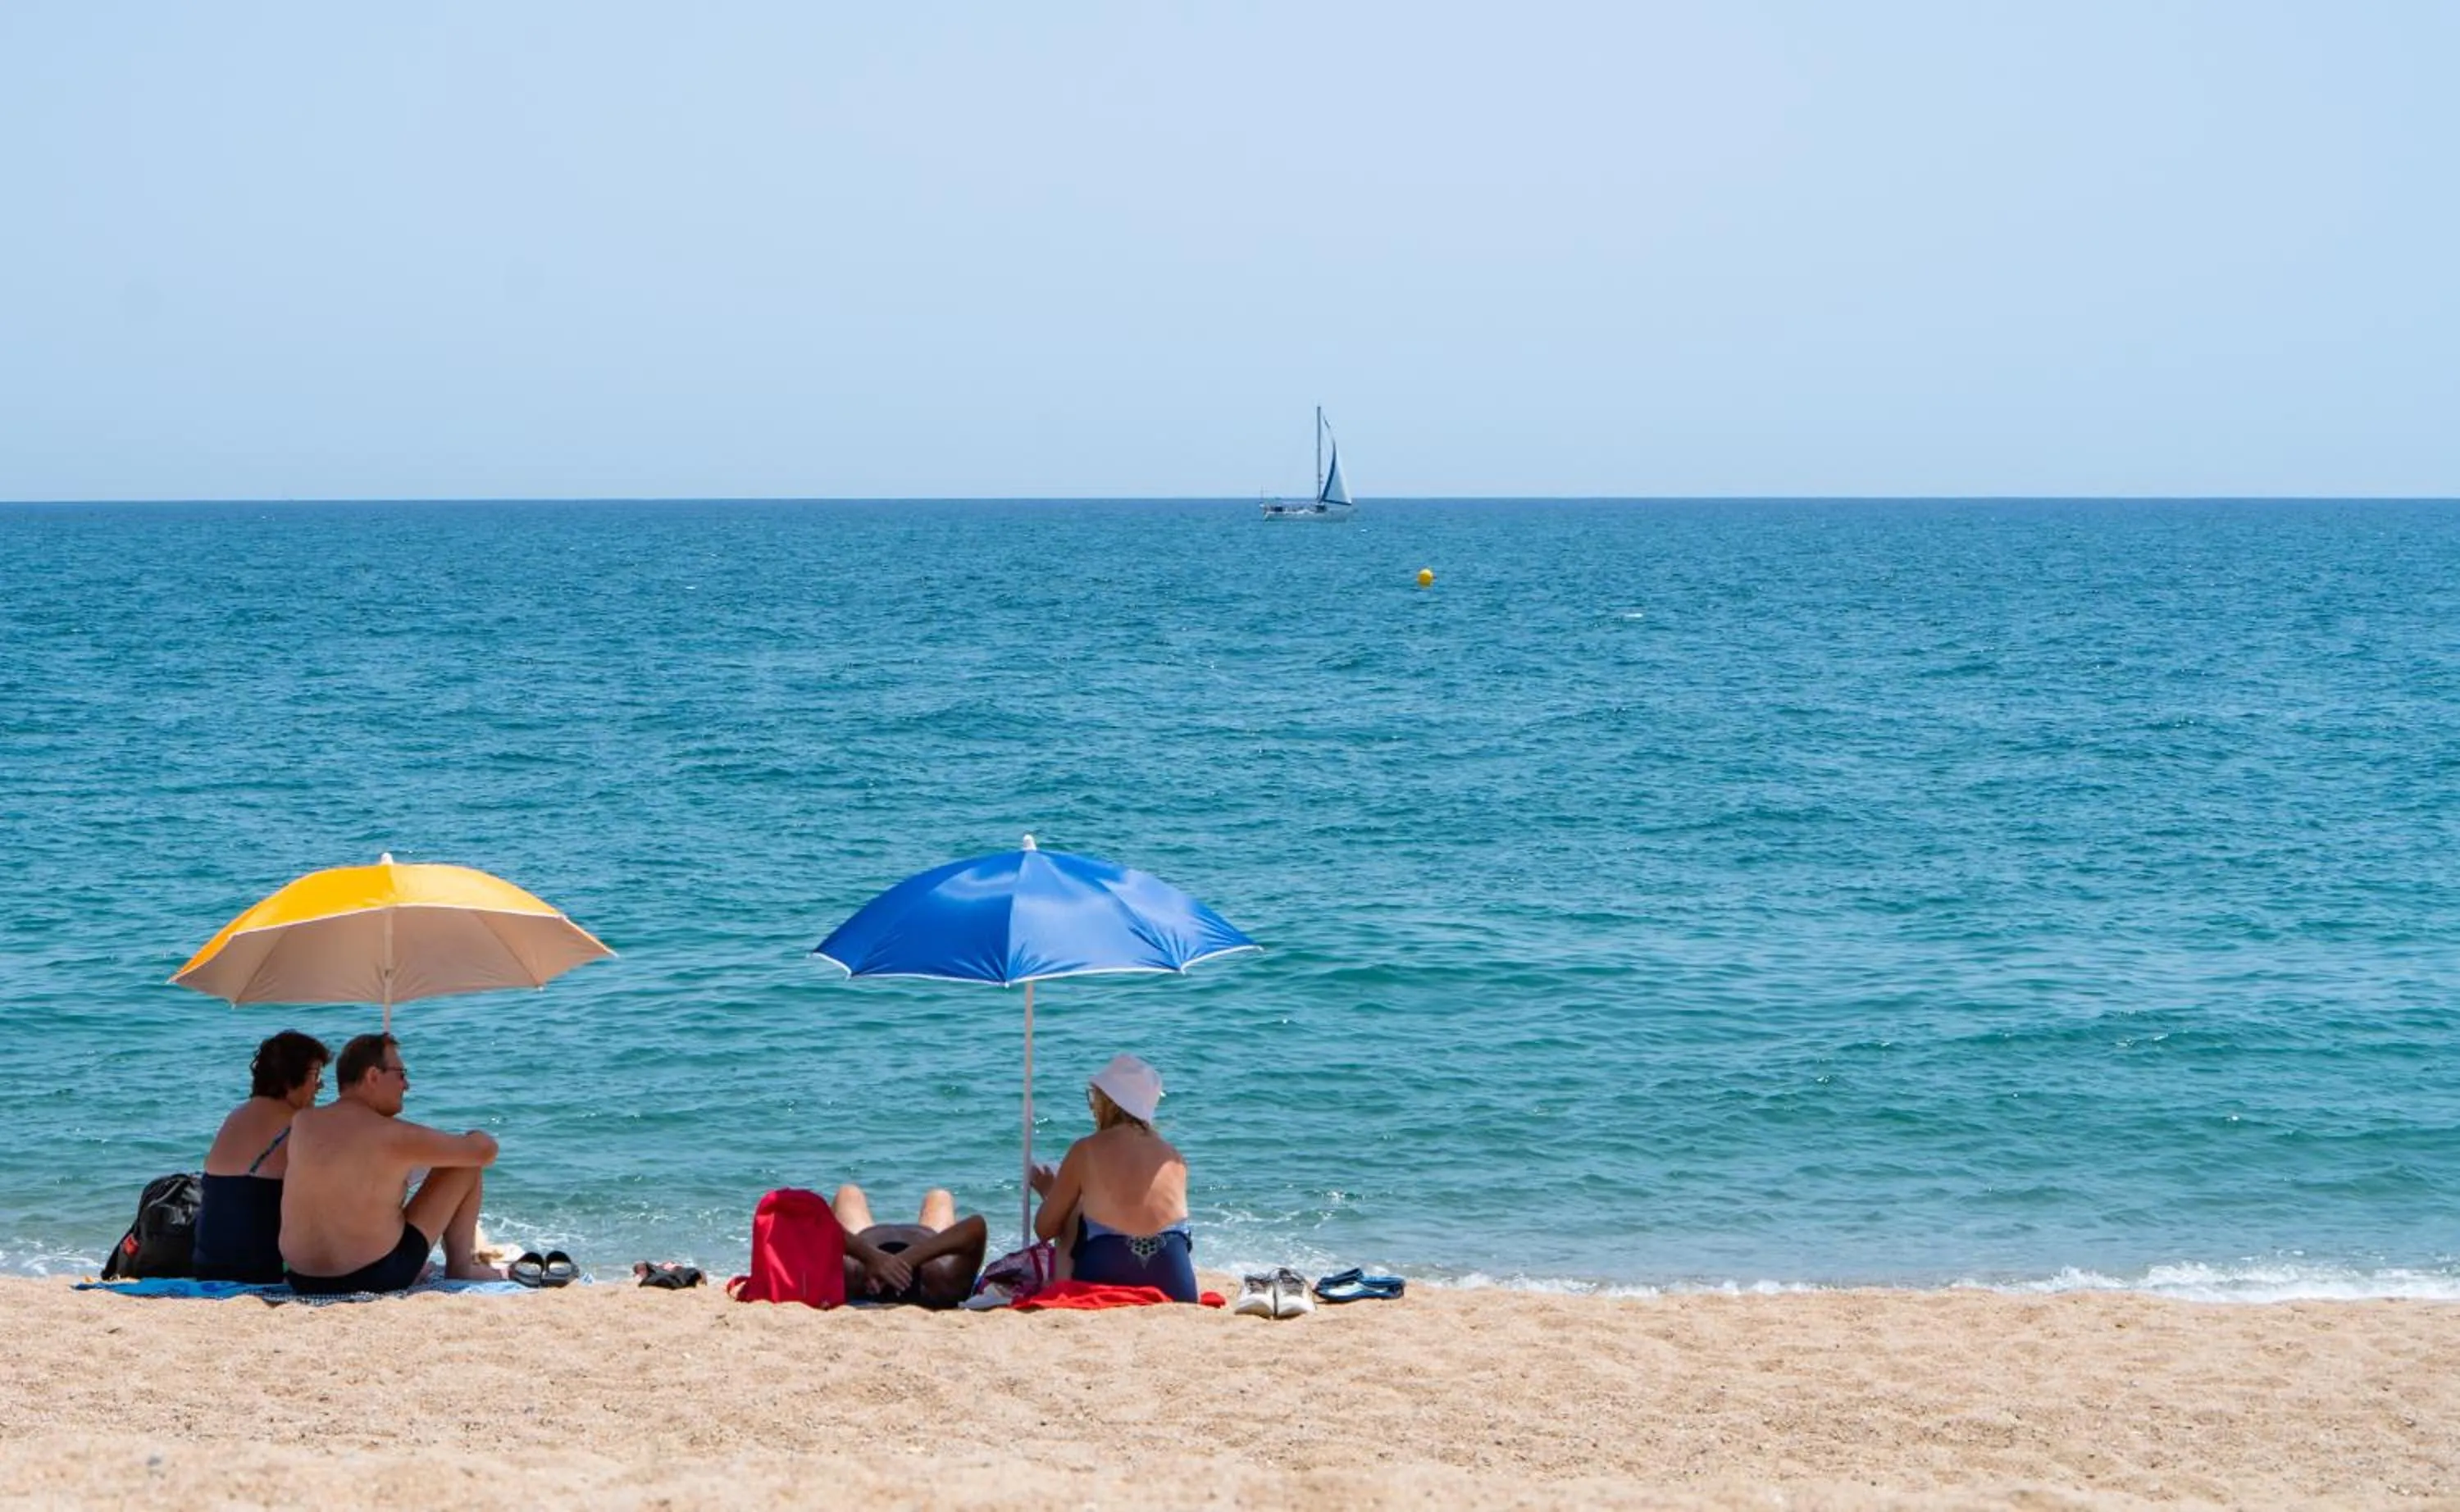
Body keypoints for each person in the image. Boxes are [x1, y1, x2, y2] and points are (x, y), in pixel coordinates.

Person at [279, 1032, 502, 1295]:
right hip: (375, 1277)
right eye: (401, 1074)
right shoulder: (393, 1135)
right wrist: (474, 1134)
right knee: (463, 1164)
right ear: (373, 1076)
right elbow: (484, 1152)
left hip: (303, 1279)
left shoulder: (304, 1123)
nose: (406, 1085)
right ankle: (461, 1266)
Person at [1029, 1053, 1198, 1302]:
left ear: (1108, 1102)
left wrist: (1049, 1191)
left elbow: (1044, 1229)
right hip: (1175, 1283)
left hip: (1106, 1269)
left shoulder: (1086, 1150)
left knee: (1072, 1212)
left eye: (1094, 1097)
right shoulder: (1175, 1157)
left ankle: (1061, 1287)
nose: (1092, 1105)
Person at [191, 1030, 329, 1282]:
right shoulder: (299, 1123)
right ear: (290, 1078)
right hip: (259, 1269)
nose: (321, 1084)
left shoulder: (238, 1116)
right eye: (316, 1075)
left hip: (208, 1263)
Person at [831, 1185, 988, 1309]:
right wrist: (907, 1258)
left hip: (865, 1236)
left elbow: (816, 1226)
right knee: (939, 1196)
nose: (891, 1270)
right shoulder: (945, 1283)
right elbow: (976, 1226)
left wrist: (872, 1257)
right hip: (930, 1236)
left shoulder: (852, 1277)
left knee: (848, 1192)